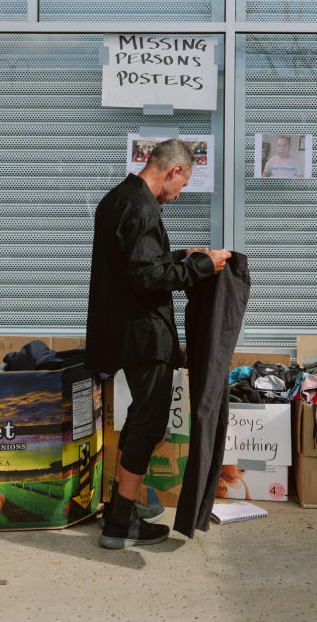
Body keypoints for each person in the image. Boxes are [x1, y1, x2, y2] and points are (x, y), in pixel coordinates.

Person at [86, 138, 231, 549]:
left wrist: (185, 255)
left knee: (138, 420)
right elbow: (146, 277)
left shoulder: (117, 198)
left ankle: (121, 507)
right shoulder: (143, 208)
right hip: (145, 334)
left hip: (123, 329)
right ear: (174, 172)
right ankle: (119, 525)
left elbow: (135, 261)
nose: (179, 193)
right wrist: (201, 267)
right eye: (182, 185)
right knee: (149, 424)